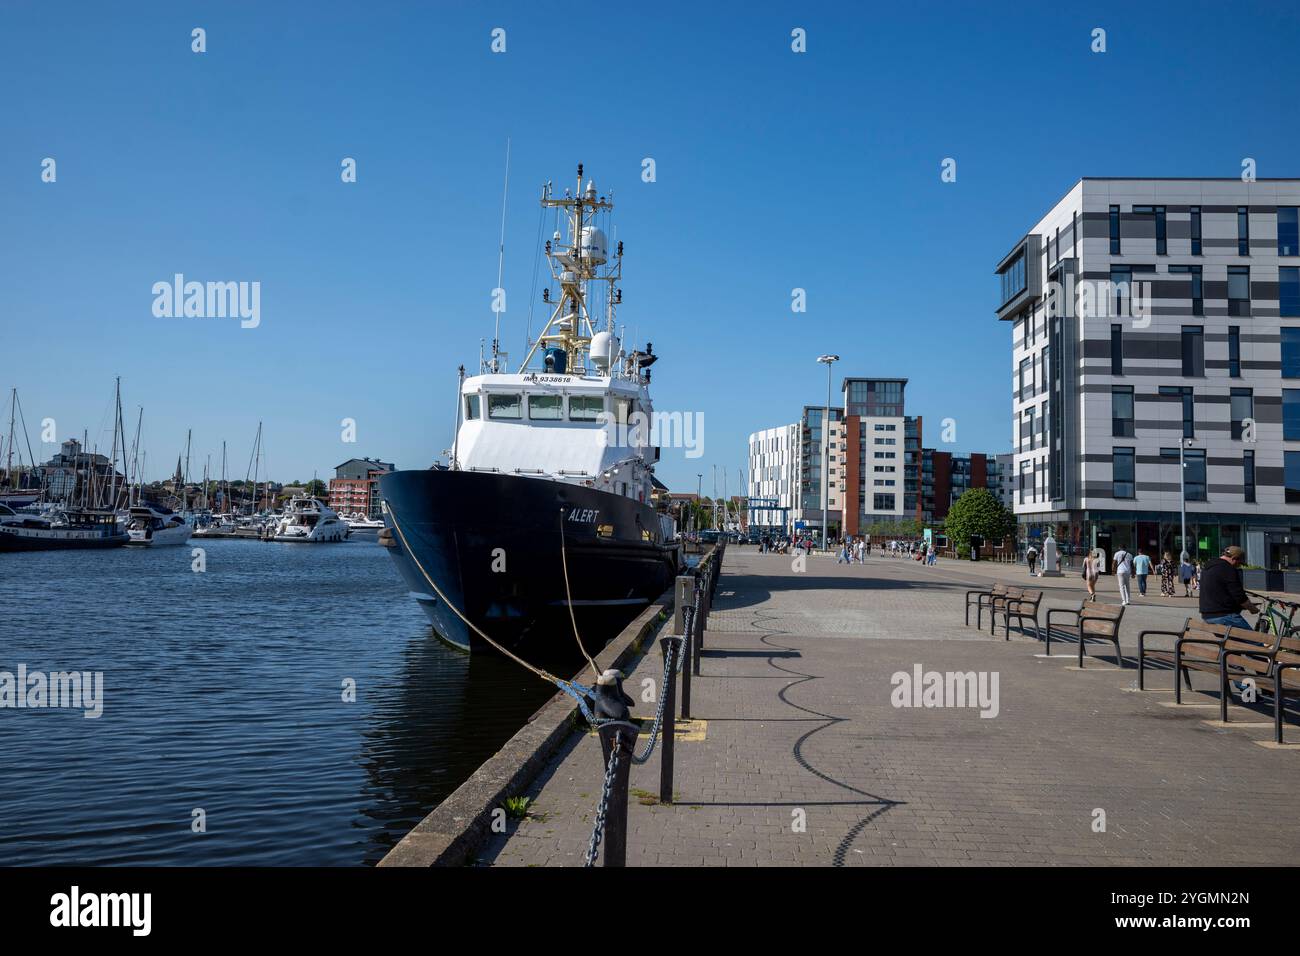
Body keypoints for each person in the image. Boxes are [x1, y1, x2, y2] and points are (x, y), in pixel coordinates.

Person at [1199, 546, 1259, 630]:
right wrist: (1252, 609)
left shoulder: (1208, 567)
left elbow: (1220, 592)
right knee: (1256, 641)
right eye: (1239, 563)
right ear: (1234, 558)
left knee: (1236, 642)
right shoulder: (1227, 569)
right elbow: (1239, 596)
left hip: (1207, 615)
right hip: (1224, 616)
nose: (1238, 566)